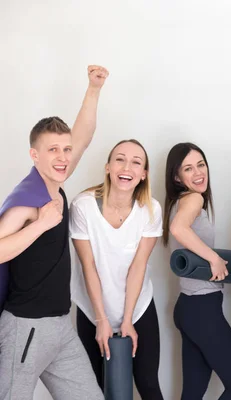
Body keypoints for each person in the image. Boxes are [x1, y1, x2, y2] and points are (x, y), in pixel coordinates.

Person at [0, 65, 108, 400]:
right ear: (35, 155)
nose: (62, 157)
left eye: (65, 149)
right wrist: (42, 225)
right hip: (26, 327)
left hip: (62, 325)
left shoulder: (55, 183)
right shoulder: (27, 201)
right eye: (53, 150)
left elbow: (84, 135)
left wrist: (93, 89)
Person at [70, 139, 164, 399]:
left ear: (144, 174)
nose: (127, 167)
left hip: (138, 308)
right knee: (97, 388)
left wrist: (127, 320)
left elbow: (138, 267)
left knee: (147, 383)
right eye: (120, 159)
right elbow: (88, 266)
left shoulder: (151, 210)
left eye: (136, 162)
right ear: (108, 167)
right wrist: (101, 320)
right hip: (92, 309)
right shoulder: (82, 206)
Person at [164, 142, 231, 400]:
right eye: (188, 169)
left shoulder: (177, 202)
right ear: (177, 177)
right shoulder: (192, 198)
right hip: (202, 309)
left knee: (191, 393)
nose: (198, 172)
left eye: (201, 165)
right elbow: (178, 229)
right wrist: (213, 258)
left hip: (188, 308)